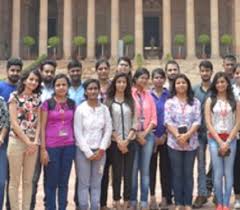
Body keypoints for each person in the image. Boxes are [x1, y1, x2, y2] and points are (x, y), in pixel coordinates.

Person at [164, 74, 201, 210]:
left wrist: (187, 135)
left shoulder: (195, 102)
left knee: (188, 173)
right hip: (174, 143)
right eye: (178, 83)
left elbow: (197, 121)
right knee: (177, 173)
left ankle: (188, 203)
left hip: (191, 143)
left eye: (183, 82)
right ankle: (179, 202)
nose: (181, 85)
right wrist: (179, 136)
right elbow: (168, 121)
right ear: (174, 86)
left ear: (188, 85)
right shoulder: (170, 102)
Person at [74, 79, 112, 210]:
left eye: (95, 88)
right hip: (83, 152)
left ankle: (95, 207)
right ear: (85, 91)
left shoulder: (104, 109)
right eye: (90, 89)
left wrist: (101, 149)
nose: (93, 91)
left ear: (99, 90)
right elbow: (77, 131)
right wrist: (88, 152)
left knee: (97, 184)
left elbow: (108, 130)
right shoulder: (80, 109)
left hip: (100, 152)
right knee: (84, 184)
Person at [205, 72, 240, 210]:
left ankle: (226, 203)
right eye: (218, 82)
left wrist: (229, 140)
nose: (220, 84)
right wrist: (220, 142)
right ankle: (219, 203)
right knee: (218, 173)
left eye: (223, 82)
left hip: (231, 139)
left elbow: (238, 122)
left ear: (227, 83)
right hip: (215, 139)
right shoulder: (210, 100)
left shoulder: (235, 100)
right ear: (215, 84)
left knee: (229, 172)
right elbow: (208, 123)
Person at [40, 74, 76, 210]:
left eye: (64, 85)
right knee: (51, 183)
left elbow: (73, 125)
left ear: (68, 87)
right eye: (58, 85)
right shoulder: (47, 104)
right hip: (51, 147)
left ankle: (62, 207)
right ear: (54, 87)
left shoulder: (72, 103)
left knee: (64, 182)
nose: (61, 87)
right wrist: (43, 150)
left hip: (68, 146)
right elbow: (42, 128)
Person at [7, 69, 42, 210]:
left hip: (33, 144)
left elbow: (39, 122)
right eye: (31, 79)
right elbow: (14, 123)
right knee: (14, 181)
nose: (33, 82)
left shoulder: (38, 98)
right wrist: (28, 142)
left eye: (36, 80)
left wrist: (34, 143)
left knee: (28, 181)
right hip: (16, 142)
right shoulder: (14, 96)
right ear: (24, 80)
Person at [106, 73, 136, 210]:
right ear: (114, 84)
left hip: (130, 142)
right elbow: (108, 123)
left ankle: (127, 200)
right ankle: (116, 199)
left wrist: (127, 140)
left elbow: (135, 123)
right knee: (117, 173)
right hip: (114, 143)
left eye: (124, 82)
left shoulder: (131, 101)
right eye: (119, 82)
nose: (121, 84)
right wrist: (118, 140)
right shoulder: (109, 102)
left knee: (129, 173)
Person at [31, 59, 57, 210]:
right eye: (46, 71)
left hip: (52, 140)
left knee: (50, 179)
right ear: (41, 71)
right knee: (33, 178)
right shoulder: (33, 89)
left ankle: (49, 206)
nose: (49, 74)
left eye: (52, 72)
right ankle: (30, 206)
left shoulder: (58, 89)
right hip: (35, 139)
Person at [130, 68, 157, 210]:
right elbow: (129, 117)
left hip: (148, 137)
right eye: (141, 78)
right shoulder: (130, 95)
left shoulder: (150, 96)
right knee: (133, 170)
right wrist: (137, 134)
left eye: (146, 78)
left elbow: (154, 118)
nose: (144, 80)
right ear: (135, 79)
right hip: (133, 136)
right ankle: (133, 201)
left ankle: (144, 201)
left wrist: (144, 134)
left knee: (145, 170)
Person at [0, 57, 23, 210]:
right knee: (2, 179)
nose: (15, 73)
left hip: (17, 139)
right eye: (12, 70)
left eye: (17, 71)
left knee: (13, 178)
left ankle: (10, 206)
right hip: (2, 140)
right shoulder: (1, 86)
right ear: (7, 70)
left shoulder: (23, 88)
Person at [149, 68, 172, 210]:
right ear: (152, 79)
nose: (158, 80)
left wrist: (165, 135)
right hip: (151, 138)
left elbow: (172, 116)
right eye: (155, 77)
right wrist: (153, 136)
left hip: (166, 137)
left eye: (160, 77)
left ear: (164, 79)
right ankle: (152, 197)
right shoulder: (147, 95)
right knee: (150, 169)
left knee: (165, 168)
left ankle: (165, 198)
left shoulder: (168, 95)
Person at [193, 60, 213, 208]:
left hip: (214, 133)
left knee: (216, 164)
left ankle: (214, 191)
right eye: (203, 71)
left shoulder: (218, 88)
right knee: (200, 164)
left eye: (207, 71)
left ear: (211, 72)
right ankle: (201, 194)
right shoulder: (194, 90)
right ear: (200, 72)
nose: (205, 73)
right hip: (198, 133)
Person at [67, 59, 85, 210]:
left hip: (83, 136)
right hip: (65, 136)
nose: (75, 73)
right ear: (68, 72)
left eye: (77, 70)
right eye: (72, 71)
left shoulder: (87, 88)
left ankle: (79, 202)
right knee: (64, 172)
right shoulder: (63, 88)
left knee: (82, 172)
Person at [232, 63, 240, 209]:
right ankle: (238, 196)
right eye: (237, 73)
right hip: (235, 134)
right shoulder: (229, 91)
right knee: (236, 166)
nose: (239, 75)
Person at [0, 97, 10, 209]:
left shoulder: (1, 101)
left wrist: (1, 137)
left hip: (0, 145)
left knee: (1, 183)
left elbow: (6, 121)